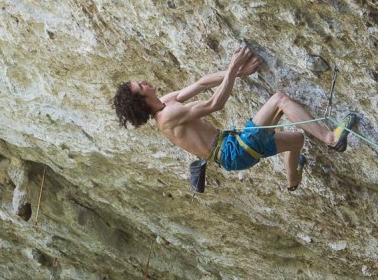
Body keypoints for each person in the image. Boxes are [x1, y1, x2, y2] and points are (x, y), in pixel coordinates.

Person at [113, 46, 357, 191]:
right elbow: (214, 104)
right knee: (280, 100)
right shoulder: (167, 116)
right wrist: (232, 68)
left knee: (297, 140)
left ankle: (293, 181)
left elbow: (201, 84)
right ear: (142, 100)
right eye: (140, 86)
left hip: (234, 152)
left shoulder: (166, 102)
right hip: (234, 150)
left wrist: (238, 72)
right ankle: (331, 138)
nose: (143, 81)